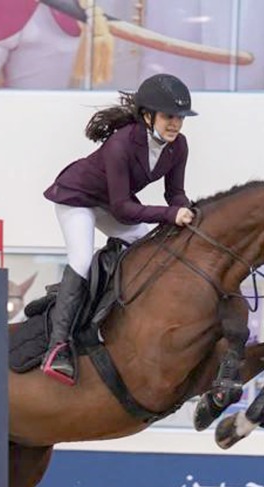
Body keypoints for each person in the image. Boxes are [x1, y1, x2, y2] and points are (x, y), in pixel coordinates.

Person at [40, 73, 197, 385]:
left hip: (111, 203)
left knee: (151, 246)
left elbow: (174, 193)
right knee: (81, 259)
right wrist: (170, 214)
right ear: (147, 116)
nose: (176, 124)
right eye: (169, 117)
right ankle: (57, 347)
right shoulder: (121, 144)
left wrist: (188, 210)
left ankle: (112, 316)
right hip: (78, 198)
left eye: (180, 118)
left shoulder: (178, 146)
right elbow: (124, 209)